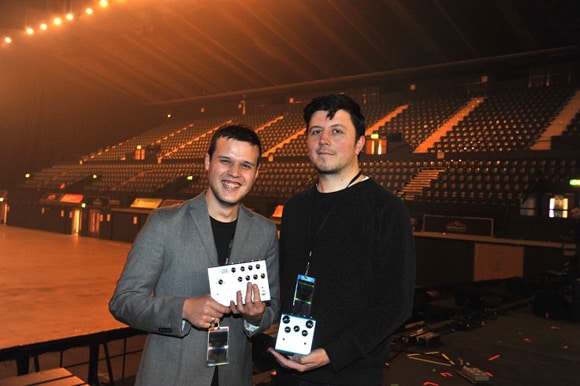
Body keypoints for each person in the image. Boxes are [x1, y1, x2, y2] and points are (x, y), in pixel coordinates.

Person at [109, 124, 280, 386]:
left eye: (246, 165)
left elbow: (272, 307)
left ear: (257, 172)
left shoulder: (265, 232)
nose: (234, 173)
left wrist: (256, 317)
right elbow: (123, 302)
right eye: (225, 161)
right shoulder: (164, 223)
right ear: (208, 162)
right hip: (169, 377)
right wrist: (183, 309)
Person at [269, 94, 416, 385]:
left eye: (337, 131)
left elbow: (396, 303)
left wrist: (332, 353)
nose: (324, 140)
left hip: (349, 373)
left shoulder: (387, 209)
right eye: (316, 132)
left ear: (360, 143)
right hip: (289, 367)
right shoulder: (295, 207)